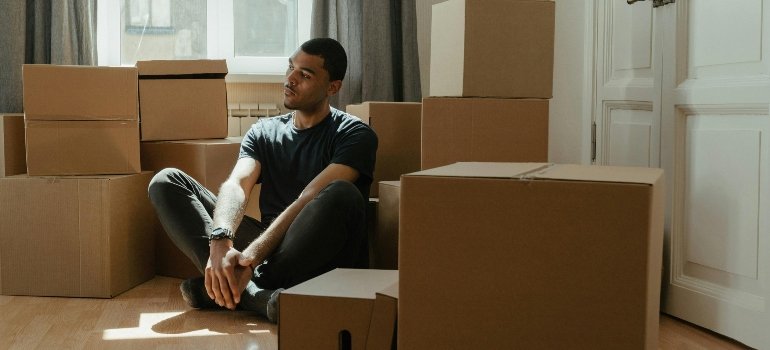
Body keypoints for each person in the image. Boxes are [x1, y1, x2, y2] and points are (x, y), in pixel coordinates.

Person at [147, 37, 377, 323]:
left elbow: (308, 198)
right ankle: (257, 295)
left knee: (341, 193)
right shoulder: (264, 131)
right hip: (269, 248)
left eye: (304, 75)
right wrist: (220, 241)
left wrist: (252, 258)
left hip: (311, 254)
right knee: (166, 181)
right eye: (290, 68)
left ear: (333, 87)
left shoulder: (356, 135)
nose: (290, 79)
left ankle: (230, 286)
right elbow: (237, 185)